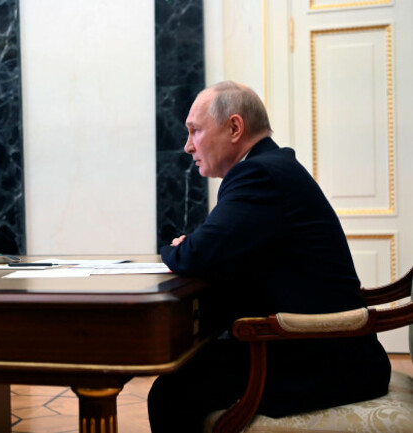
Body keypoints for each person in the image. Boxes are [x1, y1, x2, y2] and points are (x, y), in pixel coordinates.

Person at [147, 81, 391, 433]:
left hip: (323, 360)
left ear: (234, 127)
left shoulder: (258, 174)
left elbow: (194, 254)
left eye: (195, 131)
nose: (187, 146)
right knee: (184, 377)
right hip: (320, 347)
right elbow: (219, 252)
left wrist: (176, 248)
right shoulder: (269, 166)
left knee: (170, 394)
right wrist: (194, 246)